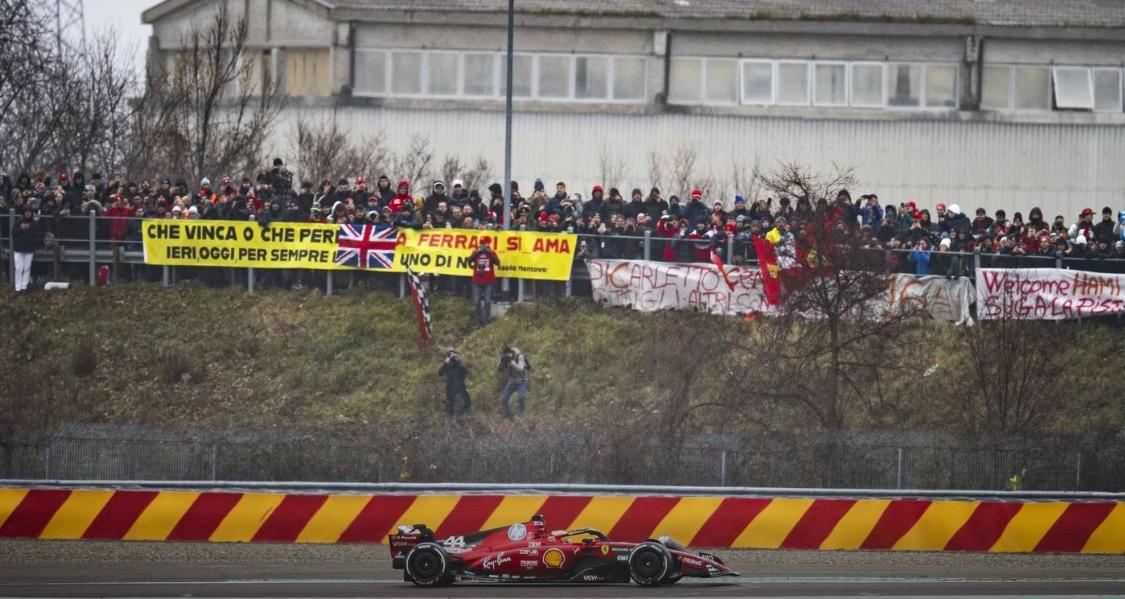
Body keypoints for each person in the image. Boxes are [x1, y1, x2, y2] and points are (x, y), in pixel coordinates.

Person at [469, 238, 501, 325]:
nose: (483, 245)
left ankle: (487, 319)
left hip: (488, 281)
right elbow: (469, 260)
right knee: (476, 301)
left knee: (487, 301)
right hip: (477, 281)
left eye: (484, 243)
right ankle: (479, 320)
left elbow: (498, 263)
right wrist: (476, 252)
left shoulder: (491, 253)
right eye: (481, 243)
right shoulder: (475, 252)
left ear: (488, 244)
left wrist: (490, 252)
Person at [438, 348, 471, 419]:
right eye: (451, 356)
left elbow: (466, 371)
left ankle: (460, 420)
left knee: (461, 408)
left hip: (459, 389)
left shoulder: (459, 365)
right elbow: (440, 373)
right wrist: (445, 363)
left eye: (454, 355)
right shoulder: (446, 365)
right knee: (450, 411)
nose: (452, 358)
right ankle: (451, 422)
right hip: (449, 390)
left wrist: (458, 361)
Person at [498, 345, 529, 420]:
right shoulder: (505, 357)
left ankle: (523, 416)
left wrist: (511, 362)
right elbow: (499, 370)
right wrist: (502, 362)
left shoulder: (520, 356)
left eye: (509, 355)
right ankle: (510, 417)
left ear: (511, 352)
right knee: (503, 400)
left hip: (522, 381)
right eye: (507, 355)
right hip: (512, 382)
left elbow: (521, 369)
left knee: (521, 398)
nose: (509, 356)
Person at [12, 209, 40, 292]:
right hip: (18, 249)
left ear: (31, 213)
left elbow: (37, 234)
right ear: (23, 213)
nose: (28, 214)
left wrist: (29, 228)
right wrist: (21, 228)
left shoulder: (34, 223)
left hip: (29, 249)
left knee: (27, 268)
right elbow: (13, 232)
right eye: (26, 212)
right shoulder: (18, 222)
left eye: (29, 212)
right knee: (18, 268)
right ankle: (18, 287)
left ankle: (24, 286)